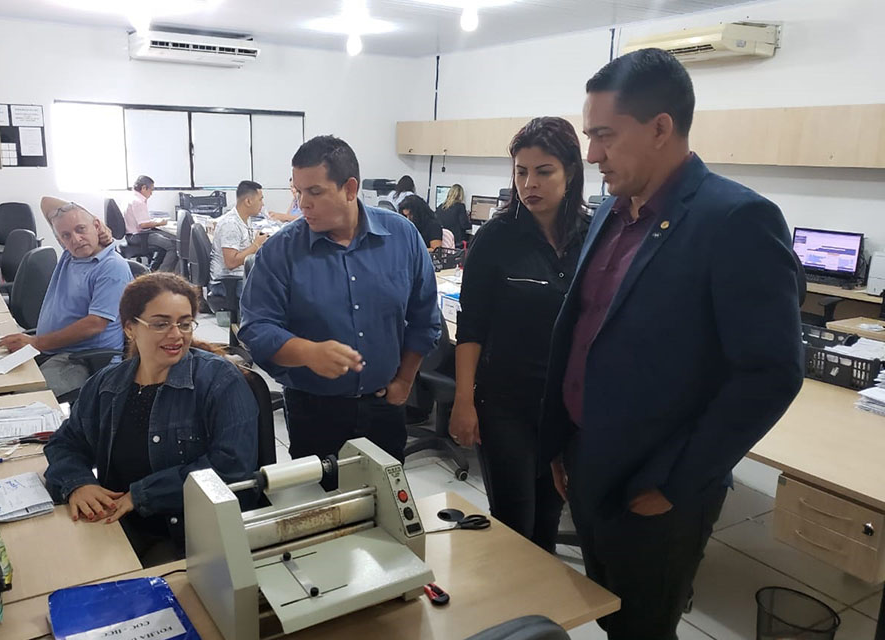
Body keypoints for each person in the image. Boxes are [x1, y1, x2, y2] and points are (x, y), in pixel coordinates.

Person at [538, 49, 803, 639]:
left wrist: (678, 483)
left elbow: (771, 372)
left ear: (661, 127)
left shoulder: (736, 220)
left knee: (643, 627)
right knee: (606, 611)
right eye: (590, 134)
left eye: (605, 135)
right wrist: (563, 440)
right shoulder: (611, 208)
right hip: (587, 460)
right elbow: (589, 332)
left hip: (655, 484)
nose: (591, 154)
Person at [239, 135, 440, 463]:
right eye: (298, 191)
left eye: (315, 192)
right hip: (314, 411)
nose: (303, 204)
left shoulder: (401, 237)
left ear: (349, 188)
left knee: (385, 506)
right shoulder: (281, 251)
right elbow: (256, 327)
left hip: (384, 407)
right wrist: (308, 352)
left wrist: (405, 380)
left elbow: (424, 317)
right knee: (321, 506)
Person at [44, 272, 259, 567]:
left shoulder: (219, 381)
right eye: (161, 324)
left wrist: (140, 495)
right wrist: (79, 484)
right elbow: (65, 443)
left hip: (188, 537)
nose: (177, 334)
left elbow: (233, 466)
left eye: (184, 323)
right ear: (130, 328)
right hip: (120, 526)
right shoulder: (107, 384)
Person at [449, 117, 589, 552]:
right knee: (514, 522)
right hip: (506, 402)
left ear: (570, 172)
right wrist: (464, 400)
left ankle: (539, 614)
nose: (530, 183)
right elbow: (471, 325)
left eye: (543, 171)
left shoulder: (592, 235)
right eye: (521, 171)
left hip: (565, 405)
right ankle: (511, 611)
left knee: (548, 518)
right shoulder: (498, 236)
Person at [0, 198, 133, 399]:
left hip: (82, 360)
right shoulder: (72, 254)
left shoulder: (111, 267)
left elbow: (94, 325)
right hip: (53, 350)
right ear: (60, 240)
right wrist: (37, 343)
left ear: (96, 226)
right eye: (66, 235)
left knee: (22, 399)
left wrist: (36, 343)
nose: (76, 239)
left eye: (81, 229)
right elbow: (46, 203)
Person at [209, 180, 269, 302]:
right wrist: (256, 244)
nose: (262, 204)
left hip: (241, 277)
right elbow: (231, 263)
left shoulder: (245, 219)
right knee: (274, 293)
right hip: (227, 283)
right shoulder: (231, 224)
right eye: (260, 200)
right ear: (248, 201)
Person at [123, 175, 179, 273]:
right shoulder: (138, 201)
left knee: (165, 243)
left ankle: (153, 270)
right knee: (173, 246)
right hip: (139, 236)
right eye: (151, 190)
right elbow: (143, 225)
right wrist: (159, 223)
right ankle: (161, 275)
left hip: (133, 235)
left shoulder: (131, 197)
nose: (151, 194)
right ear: (144, 188)